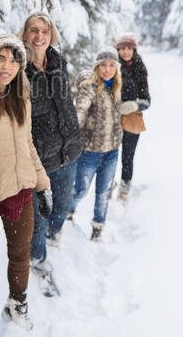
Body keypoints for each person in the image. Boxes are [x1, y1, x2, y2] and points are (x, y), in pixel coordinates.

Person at [0, 33, 52, 336]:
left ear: (20, 66)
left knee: (20, 255)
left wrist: (42, 184)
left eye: (14, 60)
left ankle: (17, 303)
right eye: (0, 59)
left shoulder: (21, 99)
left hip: (21, 193)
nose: (7, 67)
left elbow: (28, 144)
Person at [19, 12, 82, 296]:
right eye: (34, 30)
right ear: (25, 34)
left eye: (44, 30)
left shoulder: (58, 62)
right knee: (39, 216)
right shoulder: (18, 69)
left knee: (63, 206)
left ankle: (53, 238)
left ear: (51, 34)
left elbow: (66, 102)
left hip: (67, 151)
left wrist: (75, 137)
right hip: (39, 159)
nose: (39, 36)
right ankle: (39, 259)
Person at [70, 47, 123, 241]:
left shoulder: (117, 88)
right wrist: (73, 133)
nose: (107, 69)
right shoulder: (89, 87)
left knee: (104, 192)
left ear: (116, 68)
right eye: (103, 65)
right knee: (80, 189)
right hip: (90, 151)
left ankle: (97, 228)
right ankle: (68, 213)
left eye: (111, 65)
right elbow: (80, 112)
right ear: (97, 67)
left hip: (112, 151)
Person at [116, 34, 150, 201]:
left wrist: (135, 105)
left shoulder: (139, 68)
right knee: (110, 154)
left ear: (133, 50)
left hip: (132, 119)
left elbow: (147, 100)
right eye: (122, 48)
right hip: (113, 118)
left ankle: (125, 185)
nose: (126, 52)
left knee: (128, 155)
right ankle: (109, 183)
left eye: (129, 48)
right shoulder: (112, 66)